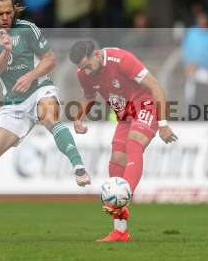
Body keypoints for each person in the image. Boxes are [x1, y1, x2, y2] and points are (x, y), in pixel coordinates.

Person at [0, 0, 91, 239]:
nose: (4, 17)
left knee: (49, 117)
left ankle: (78, 167)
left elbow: (50, 59)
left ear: (15, 10)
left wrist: (31, 75)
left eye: (9, 12)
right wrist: (6, 51)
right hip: (13, 103)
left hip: (40, 88)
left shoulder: (28, 29)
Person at [69, 41, 177, 242]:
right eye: (82, 68)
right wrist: (79, 116)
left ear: (98, 54)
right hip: (125, 113)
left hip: (146, 102)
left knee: (134, 142)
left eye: (88, 65)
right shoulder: (83, 73)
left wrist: (163, 124)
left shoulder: (122, 60)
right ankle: (120, 231)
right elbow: (89, 96)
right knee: (117, 159)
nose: (87, 71)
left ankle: (123, 198)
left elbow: (155, 86)